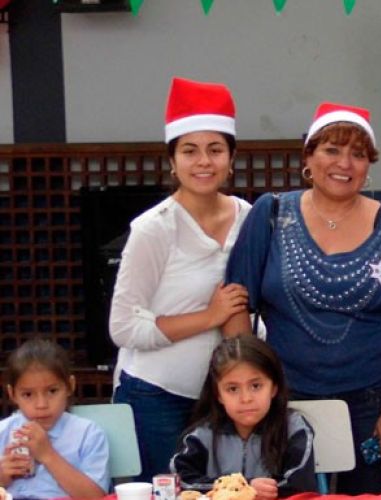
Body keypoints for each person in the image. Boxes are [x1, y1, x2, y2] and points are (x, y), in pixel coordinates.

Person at [225, 103, 381, 494]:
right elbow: (235, 305)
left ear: (370, 164)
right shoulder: (270, 214)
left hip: (370, 405)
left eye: (358, 153)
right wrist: (250, 390)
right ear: (309, 156)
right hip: (282, 402)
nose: (344, 163)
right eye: (332, 150)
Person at [109, 76, 251, 482]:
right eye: (190, 151)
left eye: (215, 149)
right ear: (172, 161)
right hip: (154, 397)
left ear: (231, 156)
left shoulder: (248, 216)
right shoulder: (153, 228)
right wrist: (209, 316)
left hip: (224, 398)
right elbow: (122, 327)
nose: (203, 161)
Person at [172, 336, 315, 497]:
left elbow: (299, 485)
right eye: (233, 389)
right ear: (218, 394)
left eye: (256, 386)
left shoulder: (293, 428)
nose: (246, 398)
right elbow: (181, 480)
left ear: (274, 388)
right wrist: (243, 487)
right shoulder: (202, 434)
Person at [0, 339, 109, 498]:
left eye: (52, 391)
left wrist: (48, 455)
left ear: (70, 386)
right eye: (28, 395)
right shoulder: (3, 432)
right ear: (12, 394)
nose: (41, 404)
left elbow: (95, 497)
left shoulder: (88, 434)